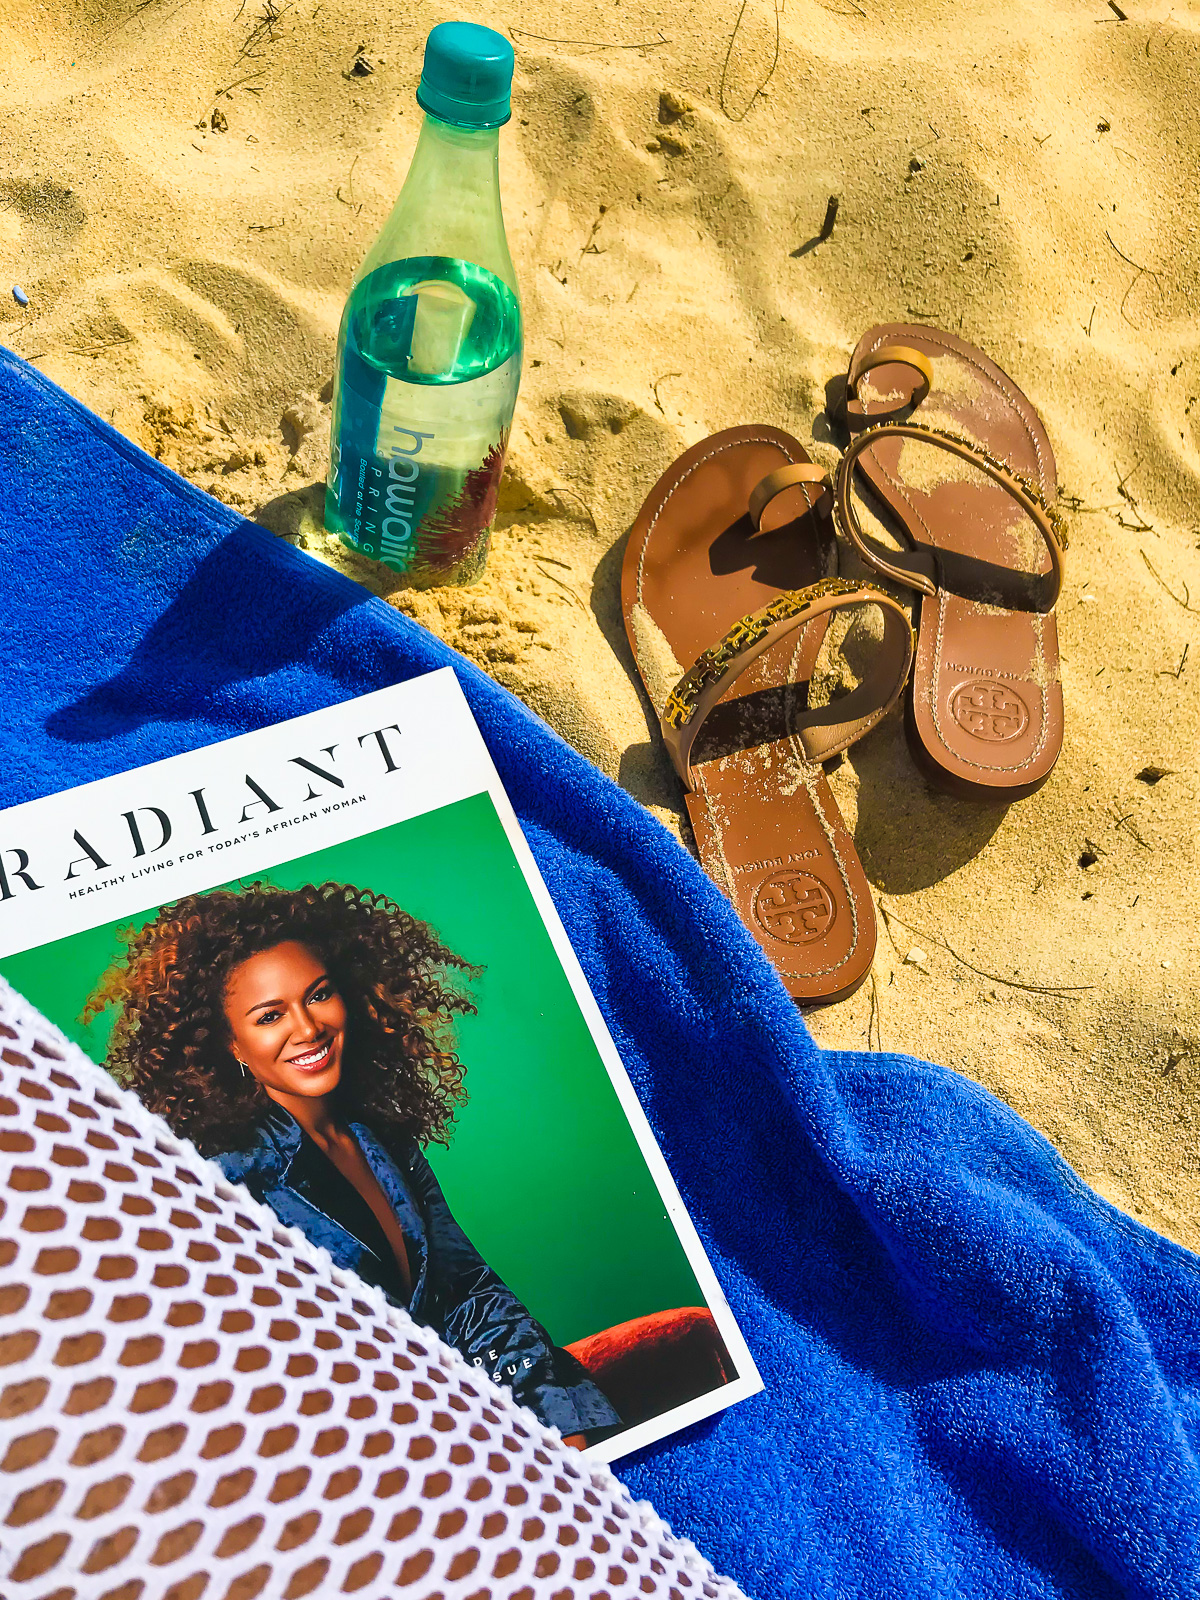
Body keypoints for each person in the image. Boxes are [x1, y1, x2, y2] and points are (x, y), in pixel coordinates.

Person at [85, 880, 620, 1445]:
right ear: (231, 1046)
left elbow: (466, 1290)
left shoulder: (379, 1133)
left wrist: (548, 1418)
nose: (308, 1028)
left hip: (487, 1419)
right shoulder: (223, 1185)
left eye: (317, 995)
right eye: (270, 1017)